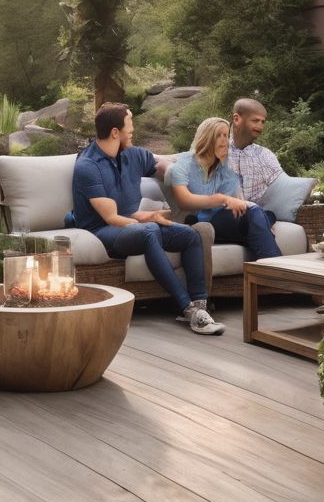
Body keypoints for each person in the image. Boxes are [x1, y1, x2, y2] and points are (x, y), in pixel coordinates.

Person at [72, 103, 222, 335]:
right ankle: (187, 308)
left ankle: (201, 305)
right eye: (129, 124)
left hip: (138, 226)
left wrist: (187, 179)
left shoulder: (133, 154)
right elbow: (111, 217)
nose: (132, 130)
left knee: (190, 236)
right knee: (150, 230)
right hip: (103, 231)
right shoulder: (88, 166)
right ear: (115, 132)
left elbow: (163, 166)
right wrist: (148, 219)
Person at [166, 117, 282, 260]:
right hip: (200, 221)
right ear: (206, 137)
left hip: (222, 219)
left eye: (226, 135)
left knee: (261, 215)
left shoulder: (223, 167)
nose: (224, 140)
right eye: (218, 135)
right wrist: (223, 199)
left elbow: (238, 202)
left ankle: (274, 272)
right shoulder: (184, 164)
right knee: (259, 216)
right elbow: (184, 200)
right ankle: (278, 271)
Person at [228, 98, 284, 205]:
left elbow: (281, 185)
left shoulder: (266, 155)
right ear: (236, 119)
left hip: (258, 214)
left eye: (263, 122)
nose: (260, 126)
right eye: (255, 120)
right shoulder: (216, 152)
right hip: (225, 213)